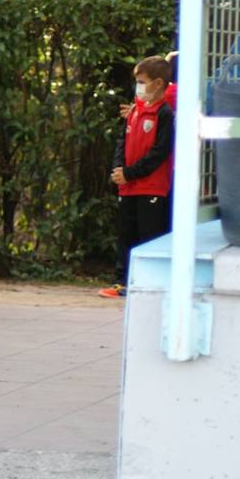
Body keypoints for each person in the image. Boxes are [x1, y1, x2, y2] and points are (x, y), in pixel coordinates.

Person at [100, 56, 175, 299]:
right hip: (128, 187)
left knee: (149, 236)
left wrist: (131, 172)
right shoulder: (135, 111)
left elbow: (159, 153)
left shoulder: (164, 113)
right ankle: (122, 281)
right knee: (126, 235)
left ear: (158, 83)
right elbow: (122, 141)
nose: (138, 87)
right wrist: (119, 169)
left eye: (142, 82)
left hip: (152, 187)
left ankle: (151, 284)